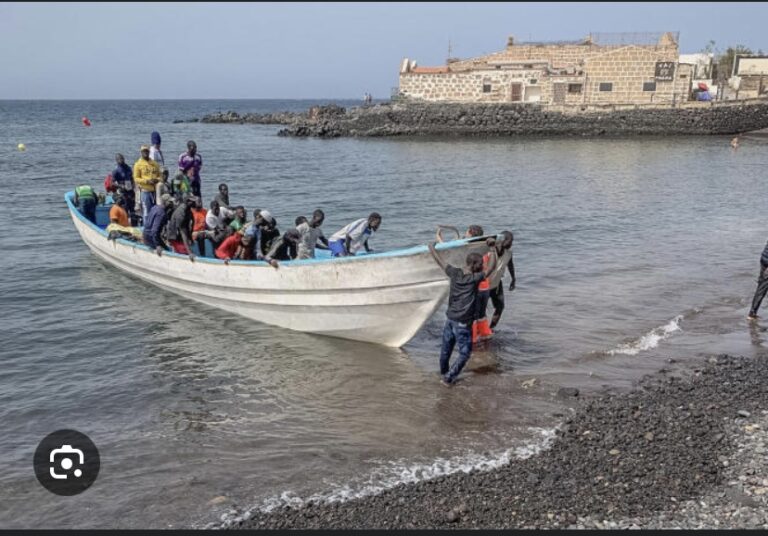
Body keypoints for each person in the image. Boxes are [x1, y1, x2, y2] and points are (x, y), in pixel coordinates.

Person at [428, 238, 498, 385]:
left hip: (450, 319)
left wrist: (432, 248)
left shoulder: (455, 273)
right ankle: (448, 379)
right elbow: (492, 268)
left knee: (446, 350)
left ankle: (443, 372)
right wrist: (492, 249)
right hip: (463, 322)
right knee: (465, 354)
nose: (482, 266)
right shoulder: (474, 278)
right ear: (473, 265)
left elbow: (440, 262)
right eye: (480, 264)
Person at [489, 231, 516, 330]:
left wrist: (513, 279)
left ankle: (491, 328)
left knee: (500, 307)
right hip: (485, 284)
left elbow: (510, 265)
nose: (511, 244)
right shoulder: (491, 250)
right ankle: (475, 329)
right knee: (479, 309)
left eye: (512, 241)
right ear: (502, 240)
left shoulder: (509, 253)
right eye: (509, 240)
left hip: (496, 284)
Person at [133, 145, 162, 222]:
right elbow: (136, 178)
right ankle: (147, 229)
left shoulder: (154, 163)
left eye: (147, 151)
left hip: (155, 191)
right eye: (144, 151)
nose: (145, 153)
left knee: (155, 211)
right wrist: (147, 181)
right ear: (141, 152)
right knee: (146, 212)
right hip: (145, 191)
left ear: (149, 152)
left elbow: (160, 176)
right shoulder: (138, 164)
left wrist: (156, 180)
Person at [112, 153, 136, 224]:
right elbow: (112, 182)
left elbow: (132, 178)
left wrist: (133, 184)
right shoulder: (116, 170)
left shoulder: (128, 168)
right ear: (116, 160)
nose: (121, 160)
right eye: (119, 159)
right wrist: (120, 186)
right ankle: (125, 225)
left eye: (122, 158)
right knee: (125, 209)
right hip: (123, 192)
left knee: (132, 209)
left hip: (130, 191)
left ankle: (134, 225)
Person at [747, 238, 768, 320]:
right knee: (762, 288)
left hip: (764, 259)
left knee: (761, 287)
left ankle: (752, 313)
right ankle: (752, 314)